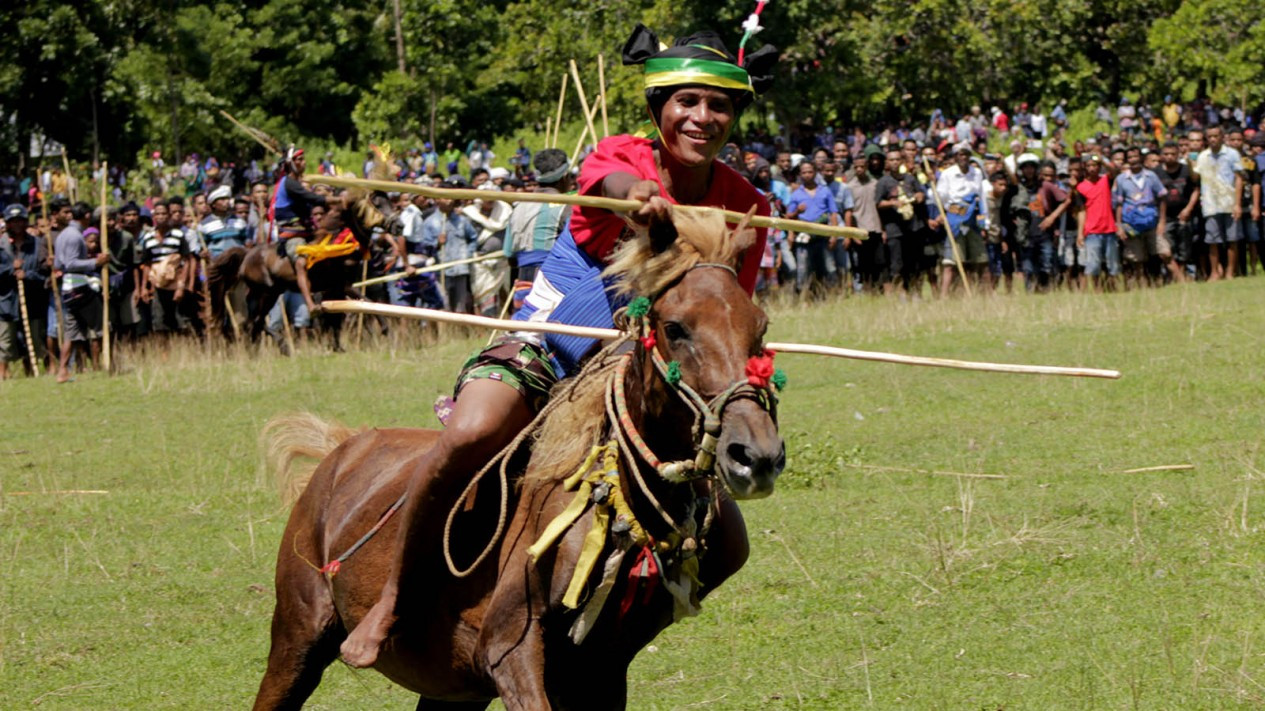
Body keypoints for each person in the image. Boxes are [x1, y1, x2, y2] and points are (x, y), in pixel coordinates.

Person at [339, 22, 779, 668]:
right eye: (686, 101)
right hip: (552, 345)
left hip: (638, 369)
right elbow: (612, 187)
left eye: (717, 105)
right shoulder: (619, 157)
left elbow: (724, 316)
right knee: (470, 431)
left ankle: (608, 644)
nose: (702, 117)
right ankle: (394, 598)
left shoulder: (745, 203)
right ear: (659, 107)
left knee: (727, 544)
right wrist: (643, 201)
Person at [505, 149, 574, 308]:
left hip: (523, 283)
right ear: (564, 177)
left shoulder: (518, 207)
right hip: (552, 283)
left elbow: (510, 256)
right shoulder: (565, 207)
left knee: (526, 327)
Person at [52, 200, 108, 381]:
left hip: (68, 289)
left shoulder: (62, 235)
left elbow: (58, 264)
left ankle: (63, 370)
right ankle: (107, 365)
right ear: (86, 216)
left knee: (71, 332)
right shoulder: (75, 236)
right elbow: (70, 263)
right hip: (78, 286)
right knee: (101, 325)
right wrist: (95, 262)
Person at [272, 148, 328, 312]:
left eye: (304, 159)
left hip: (309, 231)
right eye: (299, 160)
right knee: (301, 262)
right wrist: (333, 199)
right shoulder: (289, 183)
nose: (303, 162)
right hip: (293, 234)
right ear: (291, 163)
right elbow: (313, 198)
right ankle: (310, 305)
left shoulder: (299, 183)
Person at [0, 205, 51, 377]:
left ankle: (30, 373)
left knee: (33, 340)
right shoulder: (1, 244)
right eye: (12, 221)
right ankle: (3, 376)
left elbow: (43, 273)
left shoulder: (37, 244)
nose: (17, 225)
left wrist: (27, 275)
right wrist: (10, 269)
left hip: (32, 301)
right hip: (6, 302)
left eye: (20, 221)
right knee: (5, 341)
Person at [936, 147, 991, 295]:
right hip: (955, 217)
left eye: (966, 154)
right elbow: (942, 197)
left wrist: (984, 221)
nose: (964, 157)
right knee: (951, 262)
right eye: (961, 154)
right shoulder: (947, 174)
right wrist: (955, 211)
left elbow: (981, 197)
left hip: (974, 218)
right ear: (955, 156)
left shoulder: (977, 173)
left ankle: (986, 294)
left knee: (981, 259)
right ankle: (944, 296)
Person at [1193, 125, 1244, 280]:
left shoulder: (1232, 154)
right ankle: (1215, 272)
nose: (1213, 139)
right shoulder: (1202, 156)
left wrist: (1237, 203)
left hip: (1229, 202)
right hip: (1210, 204)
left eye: (1216, 136)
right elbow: (1196, 179)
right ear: (1206, 138)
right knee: (1212, 240)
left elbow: (1239, 178)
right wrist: (1190, 163)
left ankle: (1230, 272)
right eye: (1210, 137)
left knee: (1232, 239)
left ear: (1222, 137)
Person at [1112, 146, 1167, 288]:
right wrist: (1119, 226)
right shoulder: (1121, 179)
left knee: (1160, 253)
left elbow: (1162, 198)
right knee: (1136, 258)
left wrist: (1162, 221)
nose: (1133, 160)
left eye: (1135, 157)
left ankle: (1158, 282)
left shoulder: (1151, 176)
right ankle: (1141, 284)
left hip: (1151, 221)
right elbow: (1118, 204)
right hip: (1131, 224)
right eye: (1130, 158)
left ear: (1141, 158)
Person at [787, 160, 839, 296]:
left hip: (822, 235)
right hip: (804, 237)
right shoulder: (796, 194)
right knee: (803, 269)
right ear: (800, 174)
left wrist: (834, 235)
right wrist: (797, 212)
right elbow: (788, 217)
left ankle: (831, 296)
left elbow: (833, 213)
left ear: (815, 172)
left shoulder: (825, 191)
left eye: (810, 172)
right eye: (804, 172)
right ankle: (804, 297)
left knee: (828, 267)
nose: (807, 175)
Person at [137, 202, 190, 337]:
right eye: (158, 214)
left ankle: (184, 352)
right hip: (157, 285)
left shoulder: (178, 235)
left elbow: (187, 261)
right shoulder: (148, 238)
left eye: (164, 214)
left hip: (175, 282)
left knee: (181, 321)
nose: (161, 217)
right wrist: (144, 287)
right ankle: (163, 356)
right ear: (154, 216)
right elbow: (147, 264)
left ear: (169, 215)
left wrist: (181, 286)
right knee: (159, 323)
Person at [1076, 155, 1120, 292]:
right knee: (1093, 265)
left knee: (1112, 264)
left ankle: (1113, 289)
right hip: (1092, 231)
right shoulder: (1081, 187)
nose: (1091, 168)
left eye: (1094, 165)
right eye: (1088, 166)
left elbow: (1116, 172)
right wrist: (1080, 234)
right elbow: (1082, 211)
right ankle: (1096, 290)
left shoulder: (1105, 180)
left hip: (1109, 229)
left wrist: (1103, 161)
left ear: (1099, 167)